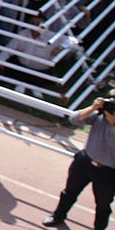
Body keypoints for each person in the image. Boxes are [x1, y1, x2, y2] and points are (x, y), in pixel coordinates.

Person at [42, 94, 115, 230]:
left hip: (107, 171)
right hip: (85, 161)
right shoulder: (99, 115)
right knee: (69, 192)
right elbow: (74, 120)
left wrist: (113, 122)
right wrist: (94, 107)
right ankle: (58, 216)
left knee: (103, 204)